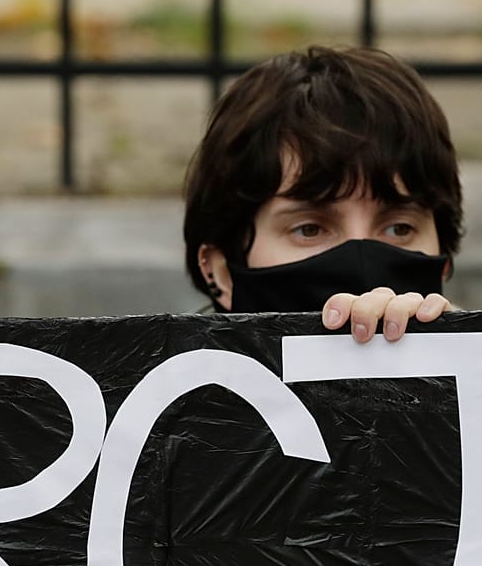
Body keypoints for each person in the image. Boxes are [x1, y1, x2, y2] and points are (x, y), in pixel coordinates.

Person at [181, 45, 464, 343]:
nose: (361, 272)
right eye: (309, 229)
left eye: (400, 228)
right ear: (220, 272)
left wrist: (466, 348)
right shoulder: (169, 371)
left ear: (444, 262)